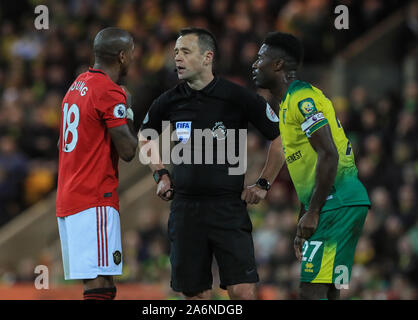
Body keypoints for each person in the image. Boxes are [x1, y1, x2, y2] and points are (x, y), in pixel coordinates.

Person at [138, 27, 284, 300]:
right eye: (175, 53)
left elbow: (278, 139)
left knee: (242, 290)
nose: (177, 58)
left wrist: (264, 183)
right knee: (195, 295)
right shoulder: (169, 100)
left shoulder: (237, 96)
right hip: (185, 209)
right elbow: (145, 137)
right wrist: (161, 175)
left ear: (207, 57)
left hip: (227, 208)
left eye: (185, 51)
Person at [252, 32, 371, 299]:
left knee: (310, 291)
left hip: (336, 203)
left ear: (278, 64)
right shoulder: (286, 107)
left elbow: (329, 153)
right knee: (329, 290)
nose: (254, 64)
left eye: (260, 57)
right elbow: (312, 166)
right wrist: (304, 217)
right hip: (341, 203)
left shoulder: (301, 98)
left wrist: (315, 211)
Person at [56, 27, 138, 300]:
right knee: (101, 283)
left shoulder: (77, 85)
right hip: (94, 198)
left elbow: (63, 144)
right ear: (123, 56)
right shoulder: (109, 91)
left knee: (96, 283)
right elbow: (128, 150)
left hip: (69, 198)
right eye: (133, 53)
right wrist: (128, 109)